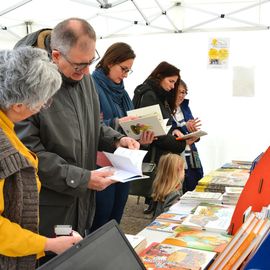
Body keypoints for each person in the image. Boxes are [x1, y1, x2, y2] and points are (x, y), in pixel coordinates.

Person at [14, 18, 139, 248]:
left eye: (91, 62)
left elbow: (91, 126)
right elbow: (28, 153)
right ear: (56, 55)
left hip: (81, 201)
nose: (86, 72)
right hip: (48, 206)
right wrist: (82, 178)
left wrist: (117, 139)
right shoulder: (29, 83)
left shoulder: (83, 78)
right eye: (79, 65)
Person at [0, 46, 83, 269]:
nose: (41, 108)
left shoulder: (7, 127)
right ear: (17, 105)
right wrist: (47, 244)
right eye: (42, 103)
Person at [91, 42, 154, 231]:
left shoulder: (122, 92)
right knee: (101, 215)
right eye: (123, 69)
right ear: (110, 62)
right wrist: (119, 123)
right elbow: (93, 126)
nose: (125, 75)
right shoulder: (92, 86)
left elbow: (128, 125)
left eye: (129, 71)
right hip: (101, 162)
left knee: (116, 215)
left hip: (123, 162)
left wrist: (140, 138)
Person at [132, 61, 197, 214]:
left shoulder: (159, 95)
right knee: (164, 198)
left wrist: (174, 130)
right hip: (158, 156)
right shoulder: (149, 95)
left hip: (163, 154)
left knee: (164, 198)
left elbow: (164, 124)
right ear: (159, 76)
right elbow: (155, 132)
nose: (173, 86)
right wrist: (180, 143)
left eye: (175, 83)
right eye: (171, 81)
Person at [172, 79, 204, 192]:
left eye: (184, 92)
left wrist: (194, 132)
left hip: (191, 151)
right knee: (177, 187)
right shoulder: (166, 108)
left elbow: (191, 129)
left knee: (195, 180)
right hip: (176, 153)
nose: (182, 95)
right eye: (179, 92)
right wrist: (186, 127)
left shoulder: (185, 107)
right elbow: (172, 129)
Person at [151, 153, 185, 219]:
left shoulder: (162, 187)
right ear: (178, 171)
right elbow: (171, 217)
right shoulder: (174, 194)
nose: (184, 172)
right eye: (183, 169)